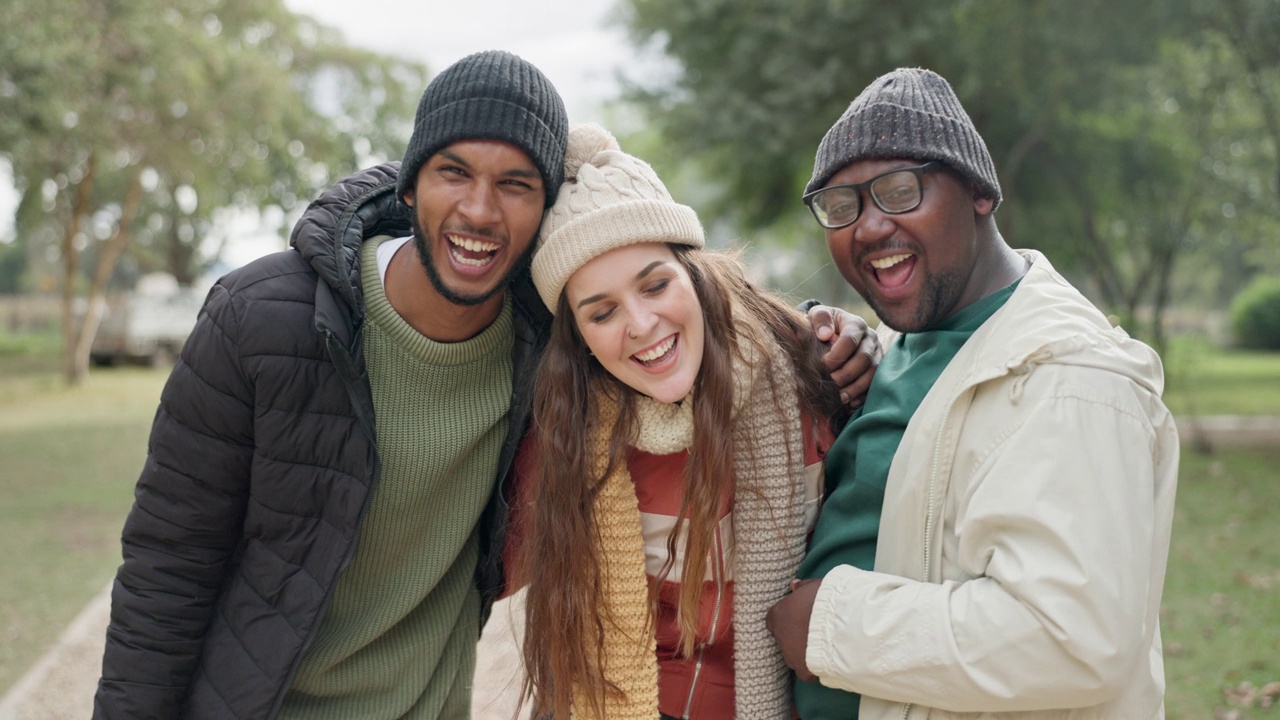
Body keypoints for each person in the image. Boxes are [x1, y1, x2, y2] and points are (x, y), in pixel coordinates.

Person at [93, 50, 570, 719]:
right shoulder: (258, 318)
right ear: (409, 186)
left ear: (547, 208)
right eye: (453, 172)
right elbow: (167, 569)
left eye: (517, 184)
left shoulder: (546, 343)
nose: (480, 209)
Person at [765, 67, 1180, 719]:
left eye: (900, 191)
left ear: (979, 193)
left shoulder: (1072, 377)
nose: (869, 227)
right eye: (841, 206)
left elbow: (1070, 641)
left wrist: (830, 626)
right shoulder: (901, 346)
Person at [510, 123, 871, 720]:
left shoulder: (816, 373)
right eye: (601, 313)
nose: (642, 324)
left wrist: (859, 342)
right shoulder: (566, 440)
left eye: (655, 285)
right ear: (578, 340)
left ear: (693, 273)